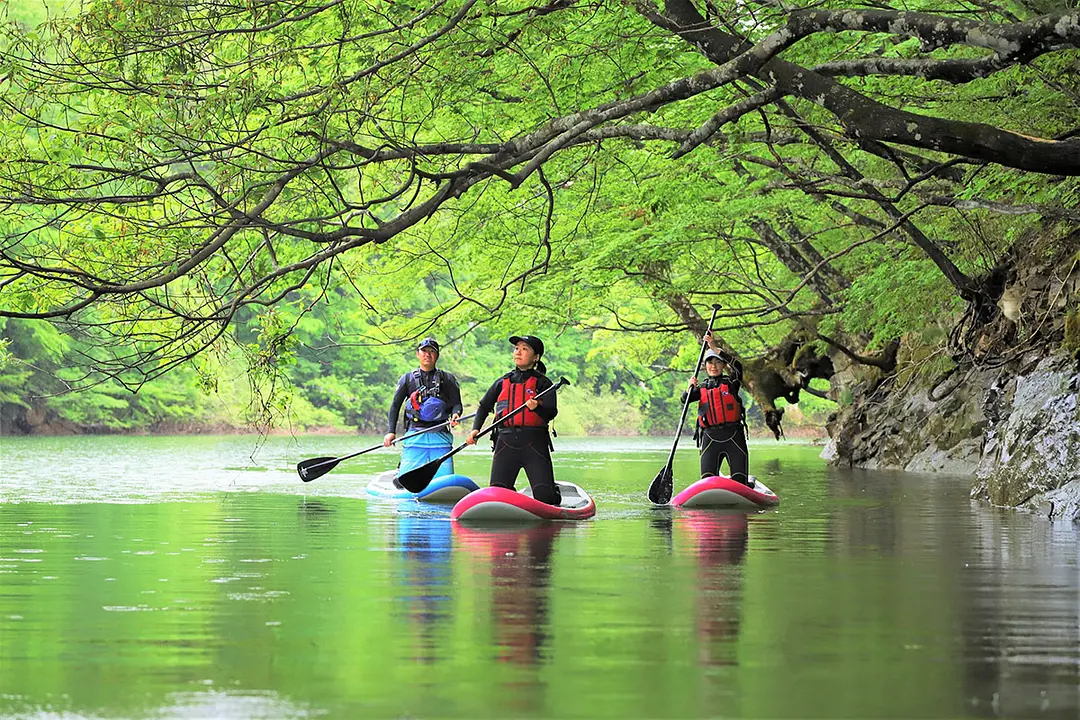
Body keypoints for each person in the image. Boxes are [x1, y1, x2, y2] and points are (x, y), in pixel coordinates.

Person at [465, 335, 561, 506]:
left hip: (534, 443)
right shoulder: (503, 381)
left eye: (525, 349)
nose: (518, 352)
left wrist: (537, 407)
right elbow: (484, 406)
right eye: (517, 348)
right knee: (497, 494)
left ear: (536, 357)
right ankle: (511, 498)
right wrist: (475, 429)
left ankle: (553, 493)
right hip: (505, 442)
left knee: (544, 498)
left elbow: (551, 412)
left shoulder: (543, 383)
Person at [385, 337, 463, 479]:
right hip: (415, 436)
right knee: (407, 477)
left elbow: (456, 403)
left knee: (444, 479)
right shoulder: (407, 379)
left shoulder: (448, 379)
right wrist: (391, 432)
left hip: (440, 436)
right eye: (424, 351)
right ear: (418, 354)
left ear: (437, 355)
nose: (428, 354)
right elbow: (395, 406)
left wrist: (456, 414)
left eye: (432, 351)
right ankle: (402, 473)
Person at [681, 332, 753, 487]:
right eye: (710, 362)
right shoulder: (701, 389)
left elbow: (738, 366)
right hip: (710, 438)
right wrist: (689, 388)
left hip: (734, 436)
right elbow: (684, 400)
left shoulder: (732, 383)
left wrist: (714, 348)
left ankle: (745, 488)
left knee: (739, 480)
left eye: (717, 362)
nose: (713, 366)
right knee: (707, 480)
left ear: (723, 365)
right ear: (705, 366)